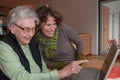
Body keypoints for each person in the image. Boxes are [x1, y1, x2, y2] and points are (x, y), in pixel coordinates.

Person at [0, 6, 88, 80]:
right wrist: (60, 73)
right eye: (26, 29)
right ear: (12, 28)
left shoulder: (32, 42)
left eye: (33, 29)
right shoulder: (4, 47)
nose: (31, 34)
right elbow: (21, 77)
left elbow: (43, 68)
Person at [35, 5, 84, 70]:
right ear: (39, 25)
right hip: (56, 69)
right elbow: (43, 60)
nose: (52, 28)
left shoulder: (63, 28)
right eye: (48, 25)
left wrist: (78, 61)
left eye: (54, 24)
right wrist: (60, 65)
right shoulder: (36, 40)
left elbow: (79, 42)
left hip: (75, 66)